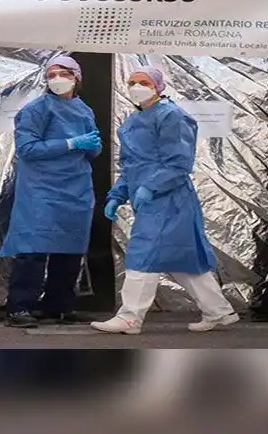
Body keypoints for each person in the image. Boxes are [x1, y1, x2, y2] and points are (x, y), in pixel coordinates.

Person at [91, 66, 238, 335]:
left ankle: (129, 317)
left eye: (143, 82)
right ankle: (219, 311)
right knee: (183, 258)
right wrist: (117, 195)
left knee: (142, 253)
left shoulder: (172, 116)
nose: (136, 86)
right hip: (151, 199)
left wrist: (150, 186)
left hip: (171, 200)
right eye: (132, 82)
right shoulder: (133, 121)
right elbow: (130, 165)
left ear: (158, 86)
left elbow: (179, 164)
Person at [0, 55, 102, 328]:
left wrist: (90, 145)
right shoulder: (36, 110)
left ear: (76, 77)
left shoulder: (84, 110)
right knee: (34, 249)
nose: (56, 78)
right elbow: (27, 150)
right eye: (51, 73)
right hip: (41, 189)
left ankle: (58, 307)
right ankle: (19, 308)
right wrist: (71, 143)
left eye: (63, 73)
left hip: (76, 188)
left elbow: (92, 150)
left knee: (69, 249)